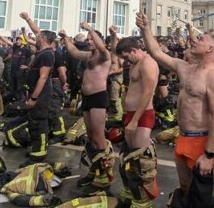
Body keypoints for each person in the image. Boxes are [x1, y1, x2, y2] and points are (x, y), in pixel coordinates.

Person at [136, 12, 214, 196]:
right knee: (185, 188)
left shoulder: (213, 76)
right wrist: (145, 29)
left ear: (209, 49)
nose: (194, 40)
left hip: (200, 140)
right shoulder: (185, 68)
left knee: (201, 194)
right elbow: (156, 52)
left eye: (200, 39)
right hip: (182, 136)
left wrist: (209, 155)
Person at [59, 22, 114, 194]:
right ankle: (94, 170)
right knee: (90, 138)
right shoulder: (89, 56)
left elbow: (103, 48)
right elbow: (74, 52)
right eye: (88, 39)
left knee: (99, 138)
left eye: (92, 39)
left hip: (99, 98)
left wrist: (90, 29)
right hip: (87, 98)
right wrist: (65, 38)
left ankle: (104, 176)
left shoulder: (104, 56)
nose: (89, 41)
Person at [115, 37, 159, 208]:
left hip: (142, 115)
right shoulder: (134, 62)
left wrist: (134, 120)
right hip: (131, 114)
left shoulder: (148, 63)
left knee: (142, 160)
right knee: (129, 156)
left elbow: (148, 92)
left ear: (134, 50)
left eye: (126, 56)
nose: (126, 61)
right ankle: (131, 190)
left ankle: (144, 199)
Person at [19, 13, 56, 165]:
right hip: (36, 92)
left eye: (39, 36)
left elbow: (43, 77)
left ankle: (39, 152)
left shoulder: (47, 54)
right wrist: (27, 19)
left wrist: (34, 98)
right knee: (34, 121)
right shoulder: (43, 51)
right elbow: (36, 31)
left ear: (43, 39)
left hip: (40, 95)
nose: (36, 37)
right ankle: (36, 147)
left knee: (39, 122)